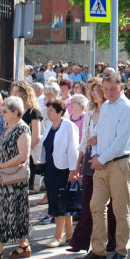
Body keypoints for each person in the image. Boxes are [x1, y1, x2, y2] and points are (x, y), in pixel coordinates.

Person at [75, 75, 130, 259]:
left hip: (119, 163)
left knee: (120, 209)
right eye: (106, 89)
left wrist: (100, 159)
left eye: (113, 89)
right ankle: (98, 250)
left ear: (122, 87)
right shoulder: (107, 107)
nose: (109, 92)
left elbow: (121, 141)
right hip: (101, 162)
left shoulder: (127, 108)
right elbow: (102, 132)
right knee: (96, 206)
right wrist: (95, 145)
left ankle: (121, 251)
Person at [67, 80, 117, 255]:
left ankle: (112, 241)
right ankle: (80, 240)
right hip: (89, 158)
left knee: (107, 204)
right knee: (87, 201)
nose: (95, 93)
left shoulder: (111, 110)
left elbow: (114, 137)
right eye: (93, 90)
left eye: (98, 90)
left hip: (106, 158)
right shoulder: (90, 112)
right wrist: (78, 163)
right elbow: (84, 140)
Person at [0, 96, 33, 259]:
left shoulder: (22, 129)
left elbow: (24, 155)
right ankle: (23, 245)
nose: (2, 114)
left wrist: (4, 165)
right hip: (3, 176)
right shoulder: (8, 127)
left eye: (5, 112)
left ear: (15, 112)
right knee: (12, 210)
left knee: (7, 212)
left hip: (14, 177)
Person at [41, 99, 80, 246]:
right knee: (60, 200)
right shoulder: (49, 126)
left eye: (51, 110)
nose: (48, 113)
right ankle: (69, 233)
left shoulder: (68, 126)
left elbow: (73, 149)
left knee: (60, 201)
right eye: (48, 110)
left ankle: (58, 236)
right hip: (51, 168)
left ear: (60, 112)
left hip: (63, 169)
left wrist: (73, 170)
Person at [9, 81, 43, 194]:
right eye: (12, 92)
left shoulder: (33, 112)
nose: (14, 94)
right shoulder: (13, 112)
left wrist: (24, 153)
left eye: (17, 92)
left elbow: (36, 137)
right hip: (13, 155)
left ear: (25, 93)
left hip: (27, 156)